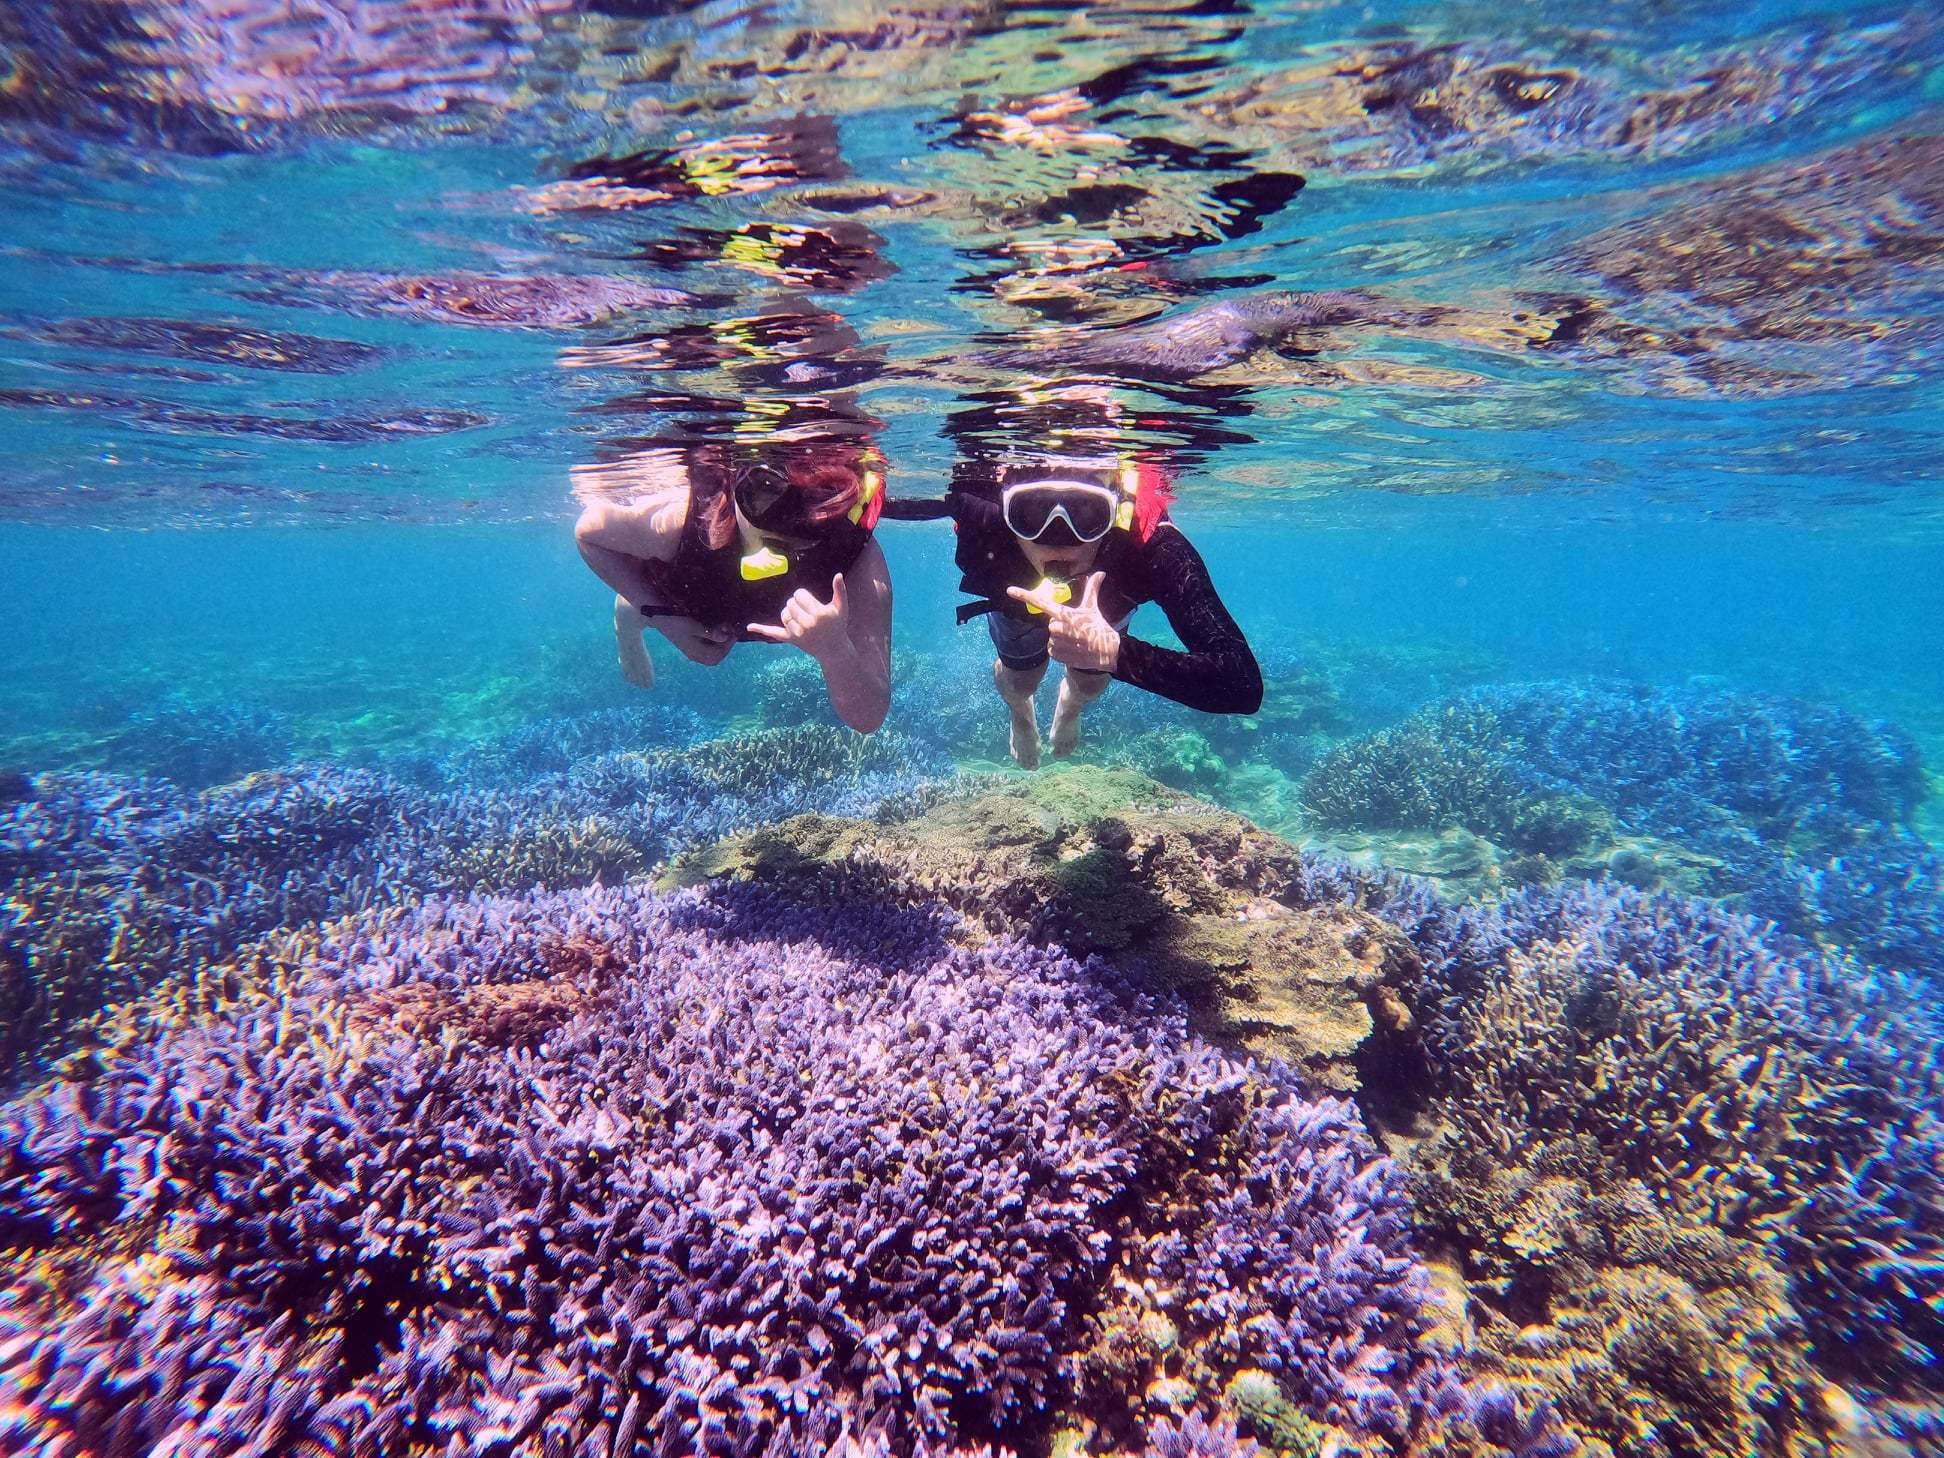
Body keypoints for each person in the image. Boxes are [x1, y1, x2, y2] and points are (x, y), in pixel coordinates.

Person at [945, 453, 1262, 768]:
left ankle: (1072, 703)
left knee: (1089, 684)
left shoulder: (1150, 543)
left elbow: (1241, 684)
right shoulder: (985, 524)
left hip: (1104, 601)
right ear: (1004, 509)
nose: (1060, 540)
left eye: (1086, 513)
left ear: (1115, 511)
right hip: (1017, 598)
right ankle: (1020, 711)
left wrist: (1113, 653)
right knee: (1020, 682)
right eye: (1031, 512)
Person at [573, 439, 892, 733]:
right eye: (764, 492)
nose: (782, 523)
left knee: (710, 653)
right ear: (737, 479)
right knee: (705, 650)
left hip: (748, 618)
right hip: (691, 596)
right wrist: (668, 620)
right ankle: (630, 613)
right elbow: (588, 535)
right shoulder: (682, 519)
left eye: (815, 510)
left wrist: (835, 652)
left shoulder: (857, 563)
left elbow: (870, 716)